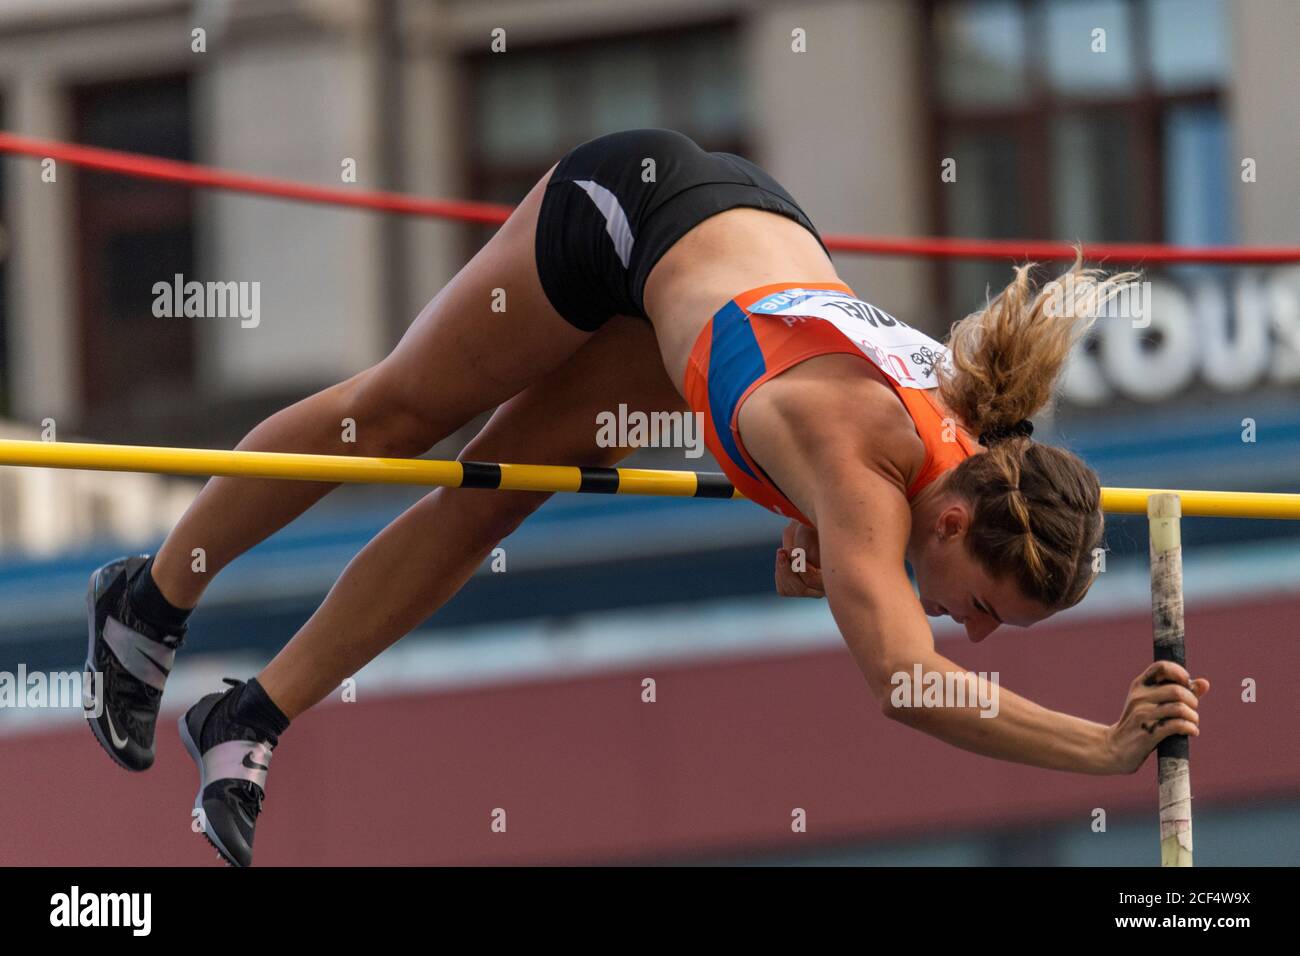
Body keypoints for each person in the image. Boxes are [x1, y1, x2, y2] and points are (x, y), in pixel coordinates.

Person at [83, 128, 1208, 866]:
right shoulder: (869, 472)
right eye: (983, 607)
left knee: (489, 499)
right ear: (954, 519)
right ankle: (150, 598)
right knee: (393, 418)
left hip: (711, 302)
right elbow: (911, 684)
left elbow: (833, 531)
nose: (964, 627)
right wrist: (1101, 748)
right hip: (631, 216)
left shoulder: (966, 455)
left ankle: (249, 716)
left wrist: (807, 534)